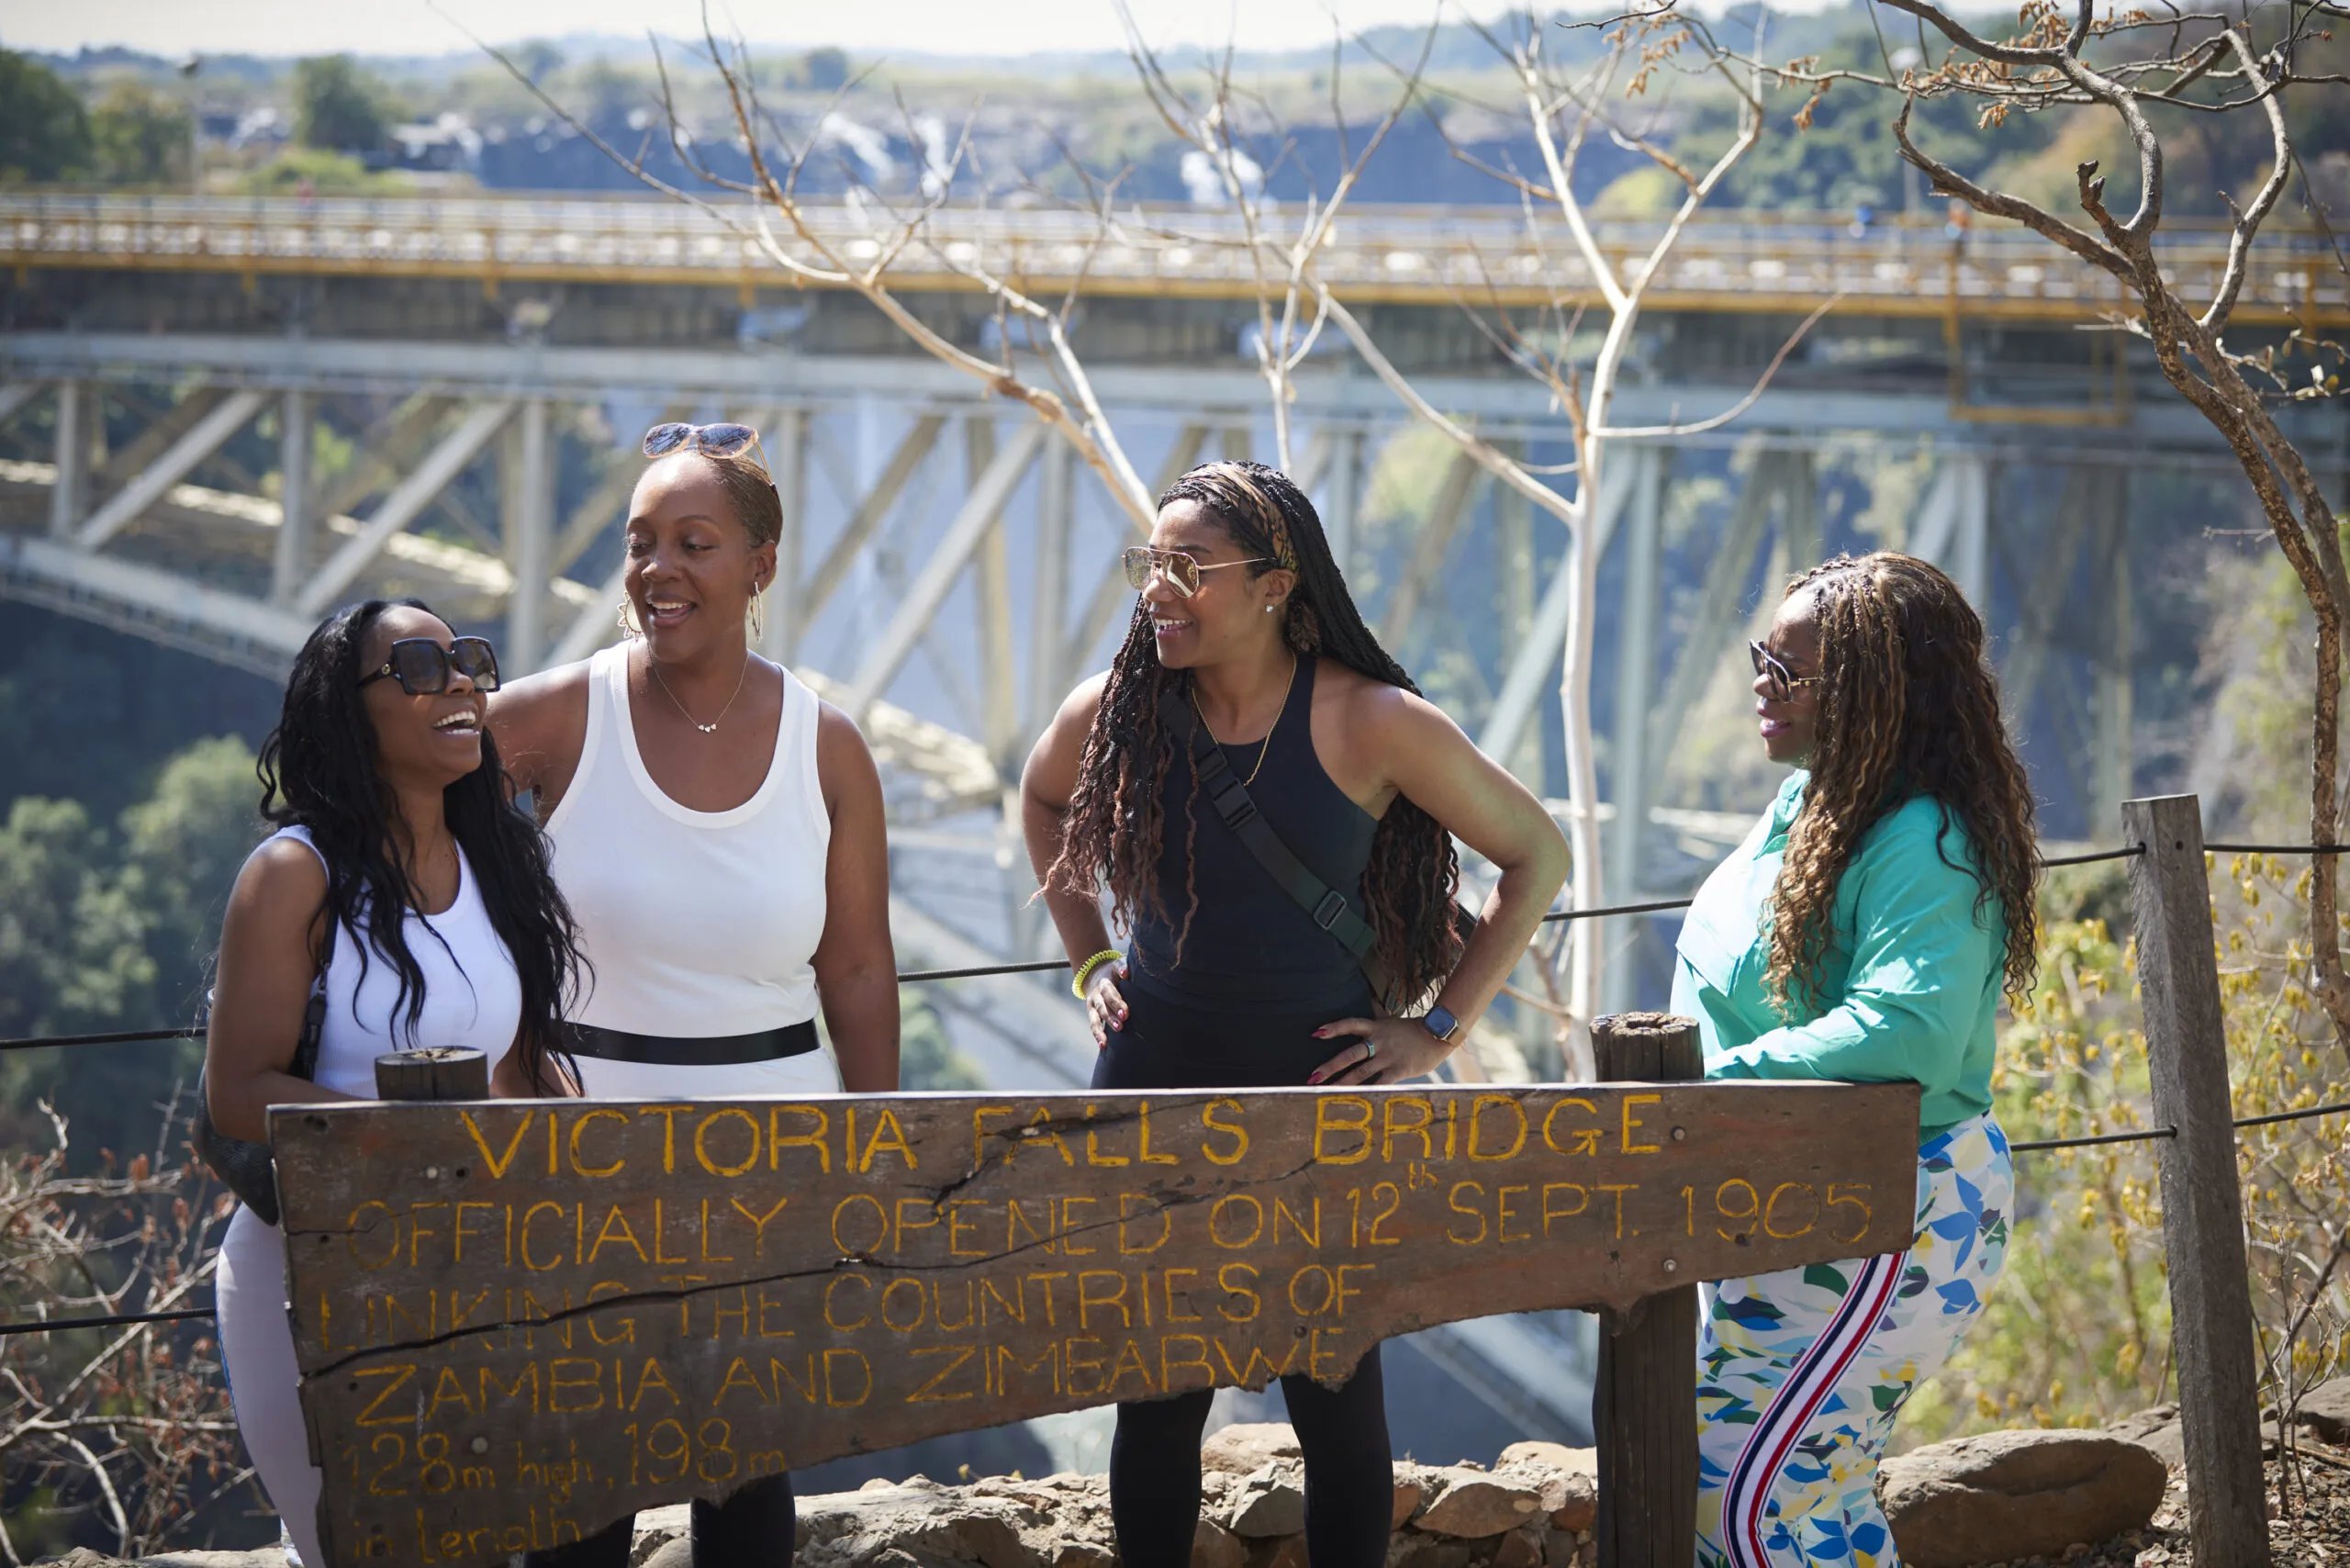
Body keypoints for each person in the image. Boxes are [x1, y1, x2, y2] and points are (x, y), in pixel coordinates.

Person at [1020, 459, 1569, 1568]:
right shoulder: (1123, 709)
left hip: (1323, 1096)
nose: (1157, 589)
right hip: (1151, 1081)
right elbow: (1038, 798)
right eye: (1148, 564)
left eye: (1189, 567)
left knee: (1335, 1390)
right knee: (1158, 1396)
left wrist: (1437, 1031)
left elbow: (1535, 855)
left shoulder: (1371, 722)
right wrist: (1087, 963)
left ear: (1273, 586)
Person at [490, 419, 899, 1568]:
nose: (656, 568)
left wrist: (881, 1155)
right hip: (579, 1156)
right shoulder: (551, 718)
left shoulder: (828, 748)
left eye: (693, 541)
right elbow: (411, 851)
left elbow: (859, 969)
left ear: (760, 566)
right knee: (579, 1474)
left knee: (747, 1472)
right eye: (639, 541)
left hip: (776, 1153)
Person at [1673, 552, 2033, 1568]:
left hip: (1890, 1207)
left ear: (1877, 691)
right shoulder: (1813, 805)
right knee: (1803, 1500)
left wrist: (1695, 1089)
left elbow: (1907, 1032)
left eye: (1790, 671)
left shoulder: (1922, 837)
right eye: (1761, 659)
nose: (1760, 684)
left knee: (1740, 1504)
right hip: (1789, 1204)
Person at [207, 601, 583, 1568]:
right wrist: (418, 1133)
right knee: (356, 1552)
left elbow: (514, 1069)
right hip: (311, 1274)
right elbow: (238, 1091)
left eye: (467, 659)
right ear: (350, 708)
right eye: (418, 665)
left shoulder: (495, 864)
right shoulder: (295, 875)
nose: (459, 680)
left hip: (467, 1270)